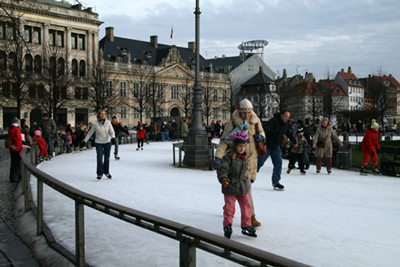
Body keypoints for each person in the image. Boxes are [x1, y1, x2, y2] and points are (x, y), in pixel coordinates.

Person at [214, 98, 264, 228]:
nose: (246, 115)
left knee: (245, 189)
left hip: (250, 160)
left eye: (248, 113)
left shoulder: (255, 121)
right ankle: (246, 215)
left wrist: (262, 137)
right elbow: (224, 140)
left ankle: (242, 211)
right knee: (242, 189)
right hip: (235, 160)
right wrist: (218, 157)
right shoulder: (233, 122)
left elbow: (262, 132)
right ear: (239, 111)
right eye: (244, 113)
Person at [217, 132, 257, 239]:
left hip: (242, 187)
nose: (242, 148)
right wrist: (223, 178)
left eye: (244, 146)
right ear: (234, 146)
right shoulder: (228, 157)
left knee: (246, 206)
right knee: (230, 208)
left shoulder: (245, 158)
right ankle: (227, 225)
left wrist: (250, 178)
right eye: (240, 146)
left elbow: (247, 171)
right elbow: (222, 169)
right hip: (230, 186)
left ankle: (246, 225)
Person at [257, 109, 297, 190]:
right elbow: (264, 130)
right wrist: (262, 141)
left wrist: (294, 141)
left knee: (278, 162)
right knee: (259, 162)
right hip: (267, 145)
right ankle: (249, 176)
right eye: (286, 116)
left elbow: (288, 133)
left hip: (276, 146)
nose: (287, 118)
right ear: (281, 115)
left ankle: (276, 181)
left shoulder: (286, 124)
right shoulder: (273, 121)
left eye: (288, 117)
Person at [83, 110, 115, 181]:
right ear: (99, 115)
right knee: (99, 158)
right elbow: (90, 132)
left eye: (104, 114)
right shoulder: (95, 123)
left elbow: (111, 131)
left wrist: (113, 137)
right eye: (101, 114)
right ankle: (99, 173)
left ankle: (106, 172)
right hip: (99, 142)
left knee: (107, 158)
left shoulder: (108, 123)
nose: (103, 115)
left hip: (107, 142)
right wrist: (85, 140)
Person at [8, 118, 23, 183]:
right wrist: (17, 145)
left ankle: (13, 176)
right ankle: (14, 177)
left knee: (13, 163)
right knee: (16, 163)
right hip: (16, 148)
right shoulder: (17, 129)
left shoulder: (10, 129)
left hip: (12, 148)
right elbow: (18, 138)